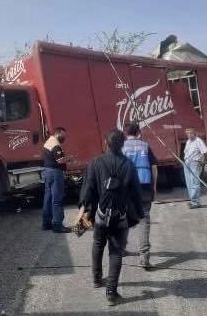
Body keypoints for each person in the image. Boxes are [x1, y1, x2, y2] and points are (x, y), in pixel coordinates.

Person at [78, 129, 144, 306]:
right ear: (123, 144)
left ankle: (96, 278)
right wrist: (139, 213)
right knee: (116, 252)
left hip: (100, 214)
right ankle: (111, 293)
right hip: (120, 216)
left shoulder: (95, 162)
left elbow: (88, 191)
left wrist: (85, 212)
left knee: (98, 243)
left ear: (105, 143)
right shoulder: (129, 165)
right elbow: (136, 193)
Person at [121, 122, 158, 270]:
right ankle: (144, 258)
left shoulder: (121, 147)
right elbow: (154, 168)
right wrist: (154, 188)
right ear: (139, 133)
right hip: (144, 186)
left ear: (125, 133)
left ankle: (121, 248)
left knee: (124, 218)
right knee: (144, 220)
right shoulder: (145, 146)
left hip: (126, 187)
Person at [42, 127, 74, 233]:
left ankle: (46, 224)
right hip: (55, 173)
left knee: (48, 198)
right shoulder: (55, 144)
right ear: (57, 134)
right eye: (63, 135)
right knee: (57, 199)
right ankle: (57, 225)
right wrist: (70, 158)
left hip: (47, 172)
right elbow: (60, 160)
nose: (64, 137)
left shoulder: (48, 142)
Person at [183, 128, 207, 208]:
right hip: (187, 163)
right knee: (189, 183)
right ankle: (192, 200)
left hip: (195, 163)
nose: (189, 135)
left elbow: (206, 152)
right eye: (188, 134)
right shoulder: (188, 142)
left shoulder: (198, 141)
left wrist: (205, 161)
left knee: (195, 183)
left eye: (191, 133)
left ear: (195, 133)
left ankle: (196, 202)